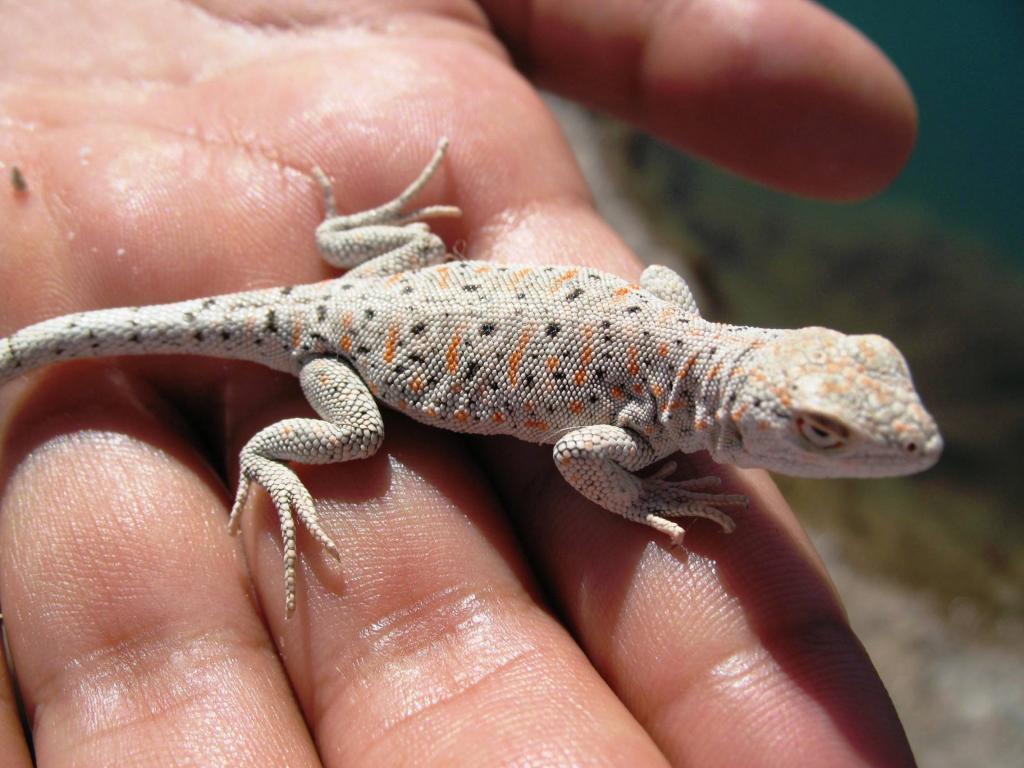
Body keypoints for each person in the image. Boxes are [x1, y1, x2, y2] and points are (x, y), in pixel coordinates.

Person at [0, 2, 919, 765]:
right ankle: (268, 457)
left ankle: (345, 238)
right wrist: (642, 497)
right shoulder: (655, 412)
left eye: (822, 432)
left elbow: (656, 296)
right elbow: (579, 453)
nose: (908, 442)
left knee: (424, 251)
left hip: (378, 288)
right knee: (357, 436)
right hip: (336, 345)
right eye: (821, 430)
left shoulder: (681, 328)